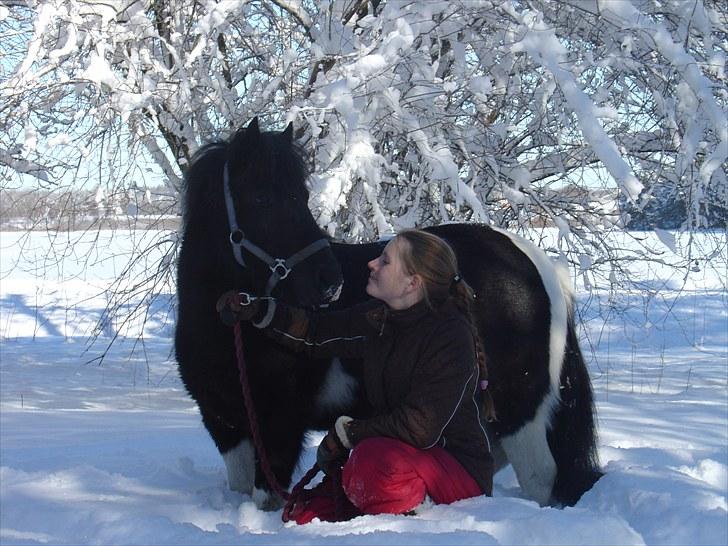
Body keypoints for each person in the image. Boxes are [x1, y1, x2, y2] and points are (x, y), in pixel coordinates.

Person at [217, 229, 495, 524]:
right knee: (306, 514)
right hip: (393, 457)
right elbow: (316, 332)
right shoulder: (380, 317)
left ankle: (423, 513)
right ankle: (383, 500)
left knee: (371, 464)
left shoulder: (450, 337)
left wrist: (348, 435)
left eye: (385, 261)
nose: (372, 264)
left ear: (412, 283)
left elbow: (420, 427)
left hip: (454, 471)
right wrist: (260, 310)